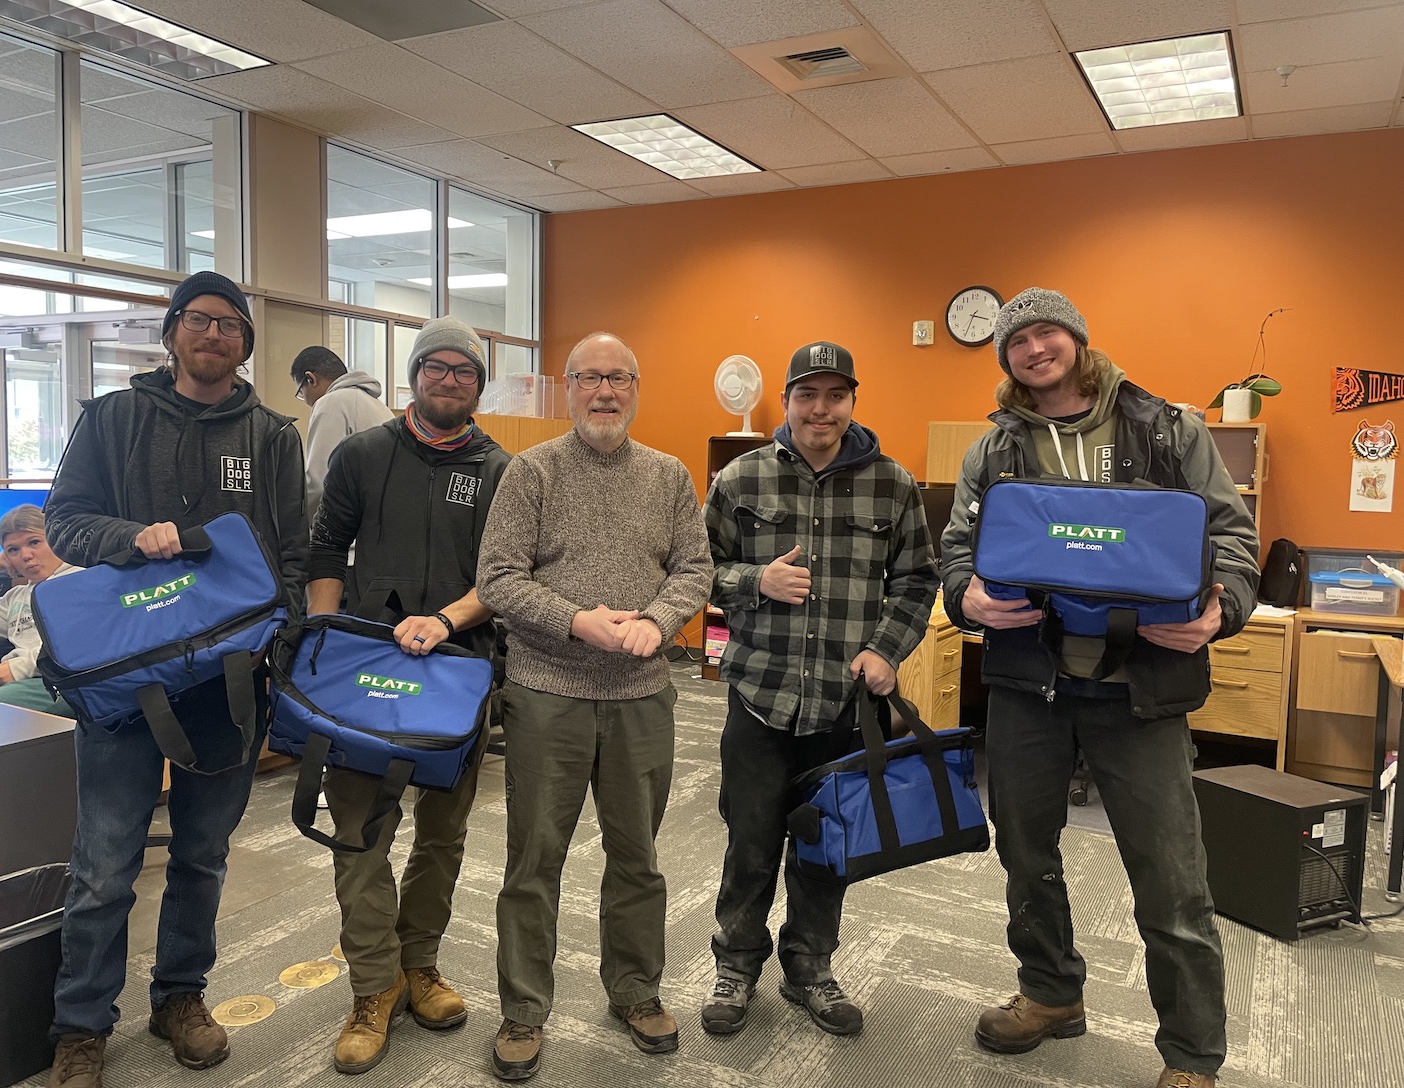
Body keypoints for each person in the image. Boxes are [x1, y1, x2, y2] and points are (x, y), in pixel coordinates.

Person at [938, 288, 1259, 1088]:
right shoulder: (995, 449)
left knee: (1169, 873)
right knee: (1026, 854)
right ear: (1005, 357)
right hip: (1027, 686)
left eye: (1047, 332)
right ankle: (1051, 994)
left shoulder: (1169, 429)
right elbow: (955, 552)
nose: (1034, 348)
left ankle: (1191, 1051)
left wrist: (1221, 613)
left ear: (1077, 340)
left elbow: (1232, 536)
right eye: (1017, 340)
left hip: (1142, 689)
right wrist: (964, 597)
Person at [42, 270, 307, 1088]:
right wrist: (132, 537)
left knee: (202, 854)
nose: (214, 334)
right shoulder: (113, 418)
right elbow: (65, 522)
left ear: (245, 344)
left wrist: (284, 654)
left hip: (228, 682)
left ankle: (179, 998)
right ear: (171, 332)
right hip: (126, 682)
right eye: (199, 320)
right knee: (104, 863)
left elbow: (291, 555)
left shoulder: (270, 434)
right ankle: (81, 1025)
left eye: (231, 324)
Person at [476, 332, 712, 1082]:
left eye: (619, 379)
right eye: (589, 379)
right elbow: (499, 578)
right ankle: (523, 1008)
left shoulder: (669, 476)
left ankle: (636, 991)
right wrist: (577, 620)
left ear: (636, 390)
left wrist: (657, 619)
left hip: (641, 695)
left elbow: (695, 568)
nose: (604, 392)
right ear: (569, 388)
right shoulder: (532, 472)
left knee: (637, 858)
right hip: (548, 693)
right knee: (534, 859)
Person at [700, 340, 938, 1038]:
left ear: (852, 403)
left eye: (836, 396)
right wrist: (756, 581)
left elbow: (920, 581)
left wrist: (886, 651)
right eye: (808, 394)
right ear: (787, 400)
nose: (821, 409)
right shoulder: (740, 480)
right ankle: (735, 967)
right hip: (761, 696)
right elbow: (694, 571)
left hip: (843, 702)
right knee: (749, 842)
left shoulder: (892, 484)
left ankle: (810, 969)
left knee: (826, 845)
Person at [306, 314, 510, 1075]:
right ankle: (371, 987)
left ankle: (419, 966)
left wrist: (448, 622)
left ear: (478, 386)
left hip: (458, 675)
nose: (448, 379)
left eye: (464, 370)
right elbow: (326, 547)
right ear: (414, 376)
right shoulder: (363, 454)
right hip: (363, 673)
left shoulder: (500, 469)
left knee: (442, 836)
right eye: (436, 367)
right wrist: (321, 642)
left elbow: (506, 575)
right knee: (359, 834)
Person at [0, 503, 78, 713]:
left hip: (57, 681)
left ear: (56, 540)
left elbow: (83, 647)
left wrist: (21, 667)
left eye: (34, 542)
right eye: (13, 550)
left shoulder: (83, 580)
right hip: (10, 674)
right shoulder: (18, 596)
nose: (26, 555)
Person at [290, 344, 391, 526]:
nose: (304, 400)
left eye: (301, 392)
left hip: (348, 534)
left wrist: (294, 524)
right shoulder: (377, 405)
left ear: (310, 379)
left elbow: (319, 483)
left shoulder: (330, 403)